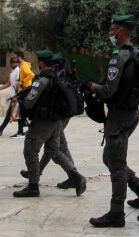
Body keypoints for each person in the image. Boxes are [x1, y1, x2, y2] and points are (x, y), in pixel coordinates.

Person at [83, 14, 139, 228]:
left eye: (112, 28)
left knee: (116, 165)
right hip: (129, 114)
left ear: (122, 31)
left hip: (120, 116)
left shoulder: (119, 56)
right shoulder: (135, 54)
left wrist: (91, 87)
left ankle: (117, 213)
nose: (109, 33)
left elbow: (108, 90)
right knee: (110, 158)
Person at [13, 50, 86, 198]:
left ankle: (33, 186)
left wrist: (23, 101)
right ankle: (76, 176)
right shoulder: (56, 78)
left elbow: (29, 102)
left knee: (30, 149)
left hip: (43, 121)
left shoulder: (42, 80)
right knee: (55, 151)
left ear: (41, 63)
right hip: (56, 121)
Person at [0, 57, 24, 137]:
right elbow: (9, 84)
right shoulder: (12, 72)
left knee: (15, 114)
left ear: (17, 63)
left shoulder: (18, 71)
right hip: (13, 96)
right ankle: (18, 131)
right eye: (11, 62)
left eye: (14, 62)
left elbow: (19, 83)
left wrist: (17, 94)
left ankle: (2, 130)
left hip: (16, 96)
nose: (12, 64)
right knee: (14, 114)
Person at [12, 51, 36, 139]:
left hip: (25, 91)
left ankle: (20, 132)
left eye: (15, 57)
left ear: (19, 57)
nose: (14, 59)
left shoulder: (24, 66)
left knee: (20, 112)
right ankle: (21, 131)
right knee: (20, 112)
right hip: (23, 90)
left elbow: (31, 75)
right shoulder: (22, 66)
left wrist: (22, 82)